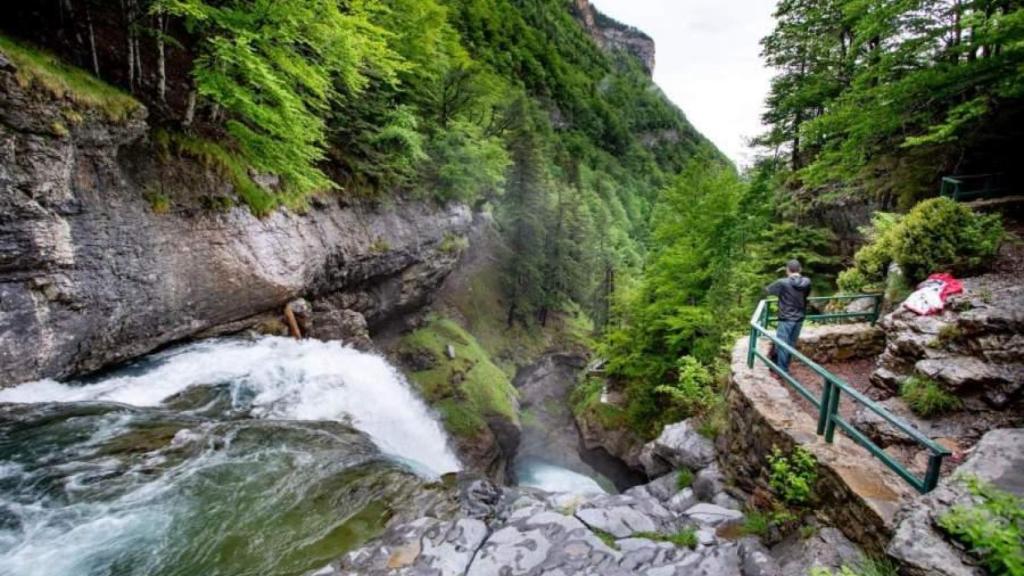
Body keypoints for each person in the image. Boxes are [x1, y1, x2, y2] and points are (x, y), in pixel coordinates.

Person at [764, 259, 811, 373]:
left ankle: (782, 371)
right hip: (799, 318)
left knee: (782, 345)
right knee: (791, 344)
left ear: (787, 270)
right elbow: (806, 295)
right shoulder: (807, 282)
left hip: (786, 318)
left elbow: (768, 290)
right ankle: (785, 368)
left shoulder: (782, 282)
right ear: (800, 269)